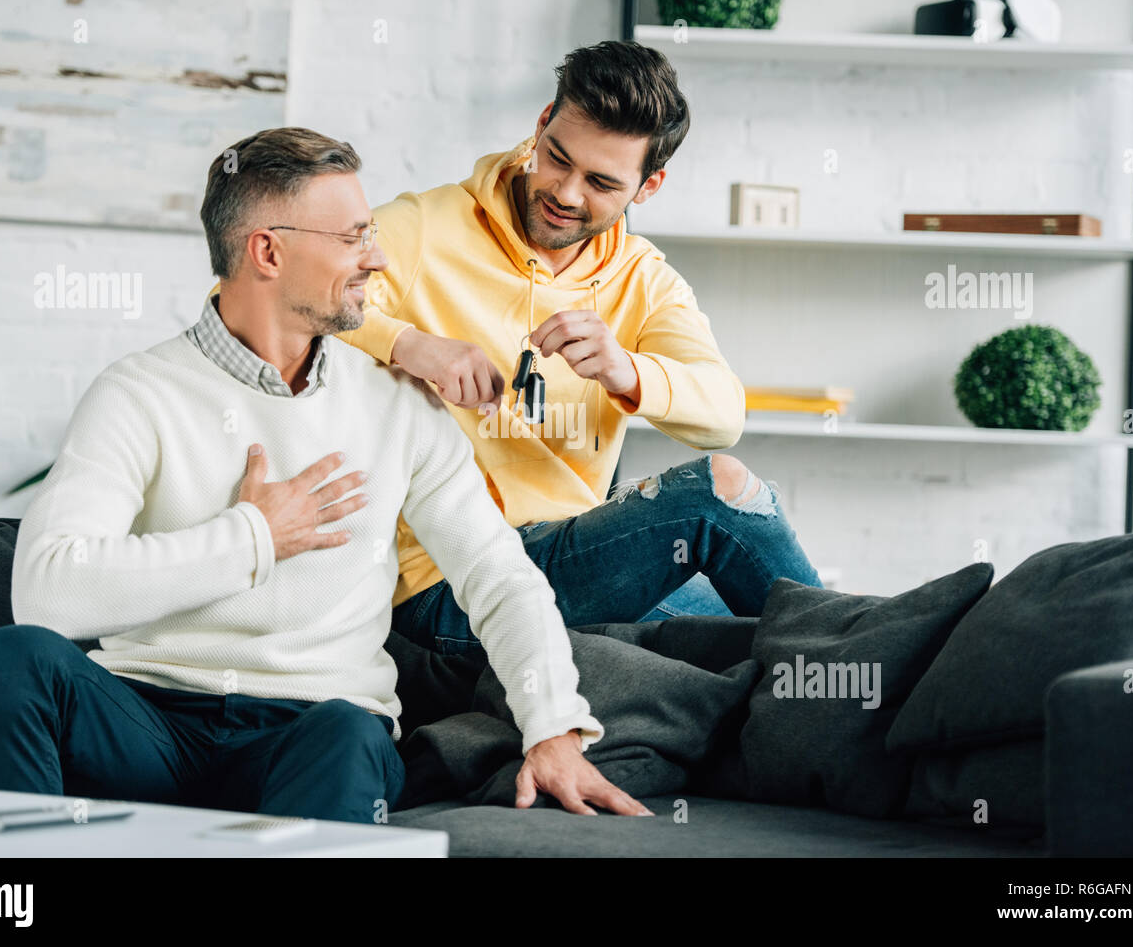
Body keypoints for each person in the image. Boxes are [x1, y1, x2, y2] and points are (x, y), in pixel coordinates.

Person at [0, 127, 651, 823]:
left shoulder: (399, 404)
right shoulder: (137, 392)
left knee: (347, 733)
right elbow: (47, 592)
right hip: (147, 719)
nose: (376, 257)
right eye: (352, 237)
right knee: (8, 659)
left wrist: (553, 729)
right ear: (268, 251)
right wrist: (254, 537)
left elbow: (497, 575)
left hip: (312, 729)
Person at [328, 40, 823, 660]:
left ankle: (868, 673)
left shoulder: (643, 279)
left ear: (648, 186)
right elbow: (265, 294)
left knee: (775, 631)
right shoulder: (427, 228)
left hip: (573, 560)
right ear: (542, 124)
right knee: (723, 500)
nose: (565, 192)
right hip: (451, 583)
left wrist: (626, 371)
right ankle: (871, 669)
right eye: (557, 158)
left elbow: (724, 416)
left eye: (601, 183)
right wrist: (409, 344)